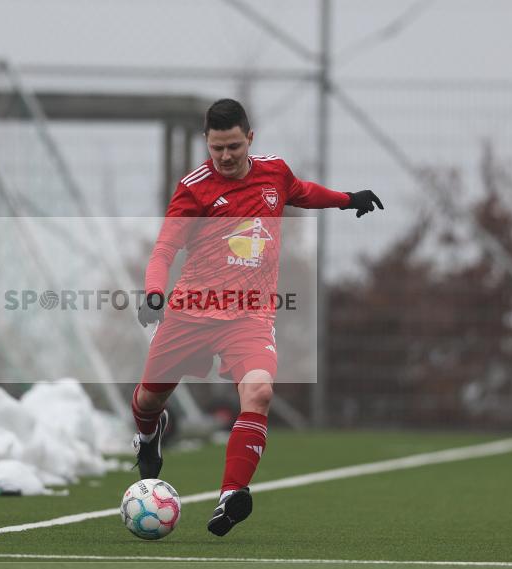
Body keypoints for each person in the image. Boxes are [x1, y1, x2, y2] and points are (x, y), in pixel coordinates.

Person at [133, 98, 382, 536]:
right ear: (206, 143)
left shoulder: (274, 172)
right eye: (217, 148)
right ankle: (150, 436)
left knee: (260, 391)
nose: (225, 156)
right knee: (149, 401)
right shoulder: (193, 188)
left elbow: (302, 192)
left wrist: (347, 199)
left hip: (249, 315)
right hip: (191, 313)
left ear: (250, 138)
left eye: (233, 146)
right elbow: (165, 249)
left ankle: (231, 494)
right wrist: (154, 293)